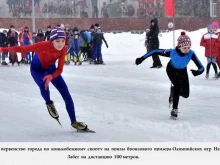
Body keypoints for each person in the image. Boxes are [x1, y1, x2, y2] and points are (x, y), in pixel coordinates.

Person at [0, 27, 88, 131]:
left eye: (63, 41)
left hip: (51, 70)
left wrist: (51, 76)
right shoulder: (42, 45)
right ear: (52, 41)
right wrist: (2, 49)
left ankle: (74, 122)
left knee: (66, 94)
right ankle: (49, 103)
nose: (60, 44)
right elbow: (22, 49)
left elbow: (59, 69)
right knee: (44, 85)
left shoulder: (63, 49)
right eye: (57, 41)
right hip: (37, 70)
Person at [135, 31, 204, 118]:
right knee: (177, 85)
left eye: (188, 47)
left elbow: (201, 67)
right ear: (179, 47)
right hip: (171, 69)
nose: (187, 50)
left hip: (182, 71)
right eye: (184, 48)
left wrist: (198, 72)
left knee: (186, 95)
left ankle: (173, 92)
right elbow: (155, 51)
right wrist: (141, 58)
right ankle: (174, 109)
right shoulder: (172, 52)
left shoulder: (191, 53)